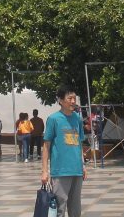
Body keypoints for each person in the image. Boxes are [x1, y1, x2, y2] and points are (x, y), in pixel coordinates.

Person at [41, 86, 87, 217]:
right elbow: (46, 146)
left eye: (74, 98)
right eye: (69, 98)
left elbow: (79, 143)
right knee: (59, 208)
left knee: (75, 209)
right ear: (60, 100)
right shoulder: (53, 119)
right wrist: (45, 171)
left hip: (76, 170)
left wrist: (83, 165)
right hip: (60, 171)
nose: (73, 101)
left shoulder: (77, 118)